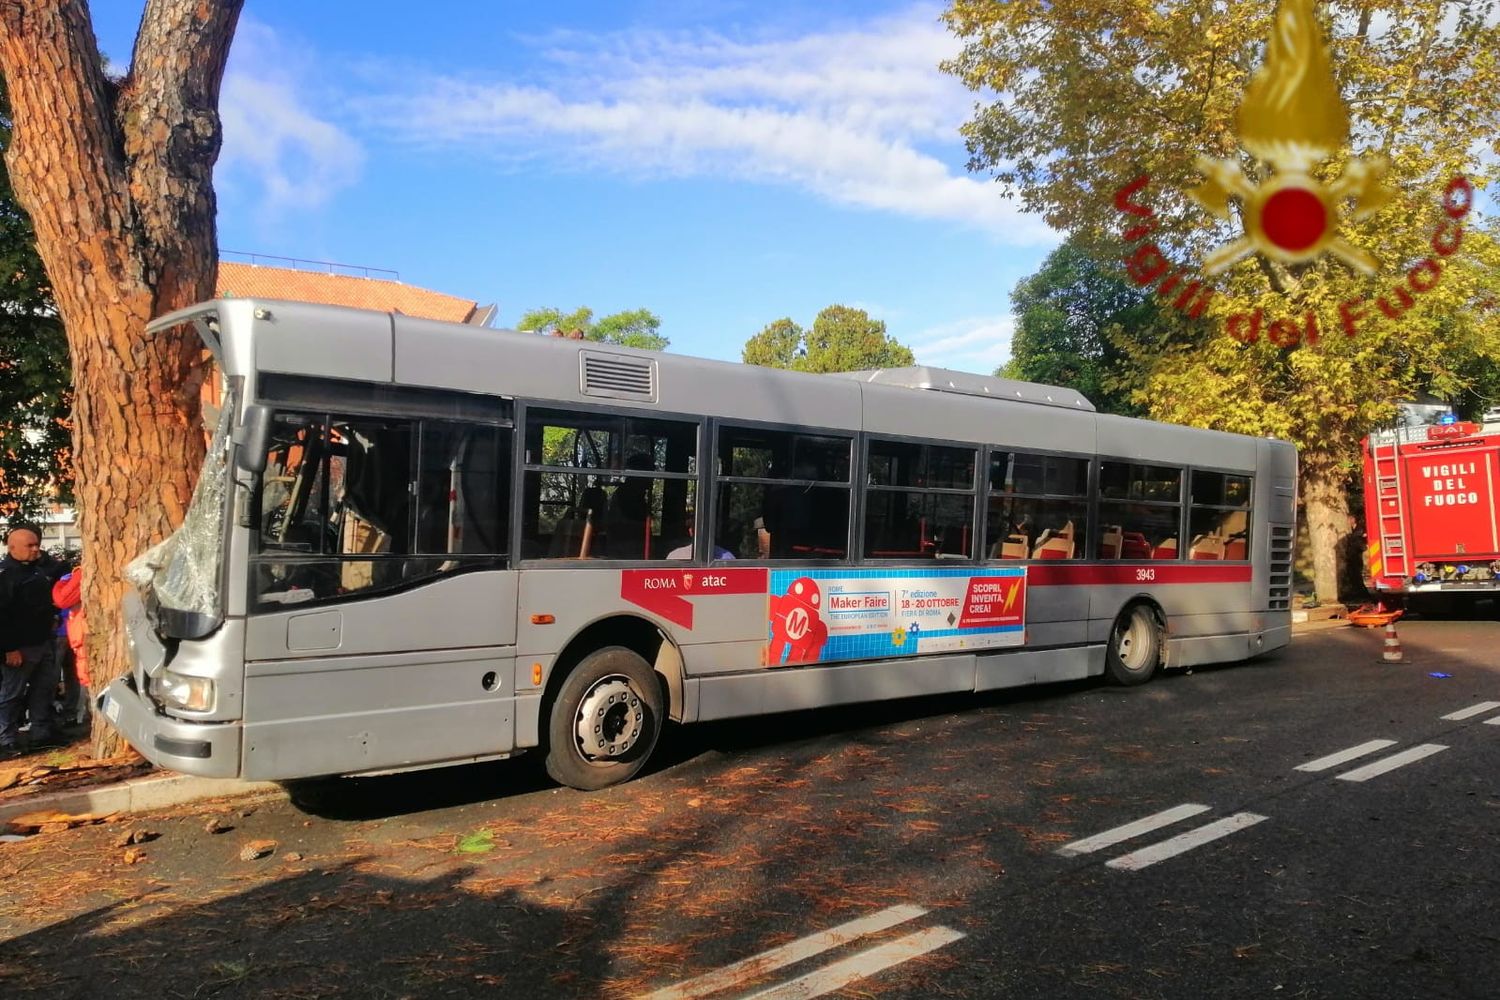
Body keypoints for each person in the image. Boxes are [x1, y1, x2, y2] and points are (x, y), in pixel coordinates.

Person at [0, 525, 66, 757]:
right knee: (11, 694)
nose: (35, 549)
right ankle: (5, 739)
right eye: (29, 545)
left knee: (43, 690)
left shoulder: (37, 571)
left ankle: (41, 733)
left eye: (37, 544)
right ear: (12, 547)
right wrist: (8, 649)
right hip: (19, 647)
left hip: (43, 642)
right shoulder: (5, 575)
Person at [52, 566, 89, 730]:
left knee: (77, 676)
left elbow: (61, 598)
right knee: (53, 676)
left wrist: (60, 583)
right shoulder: (74, 573)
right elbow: (62, 599)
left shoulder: (77, 574)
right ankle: (57, 713)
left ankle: (72, 714)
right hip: (67, 633)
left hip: (79, 634)